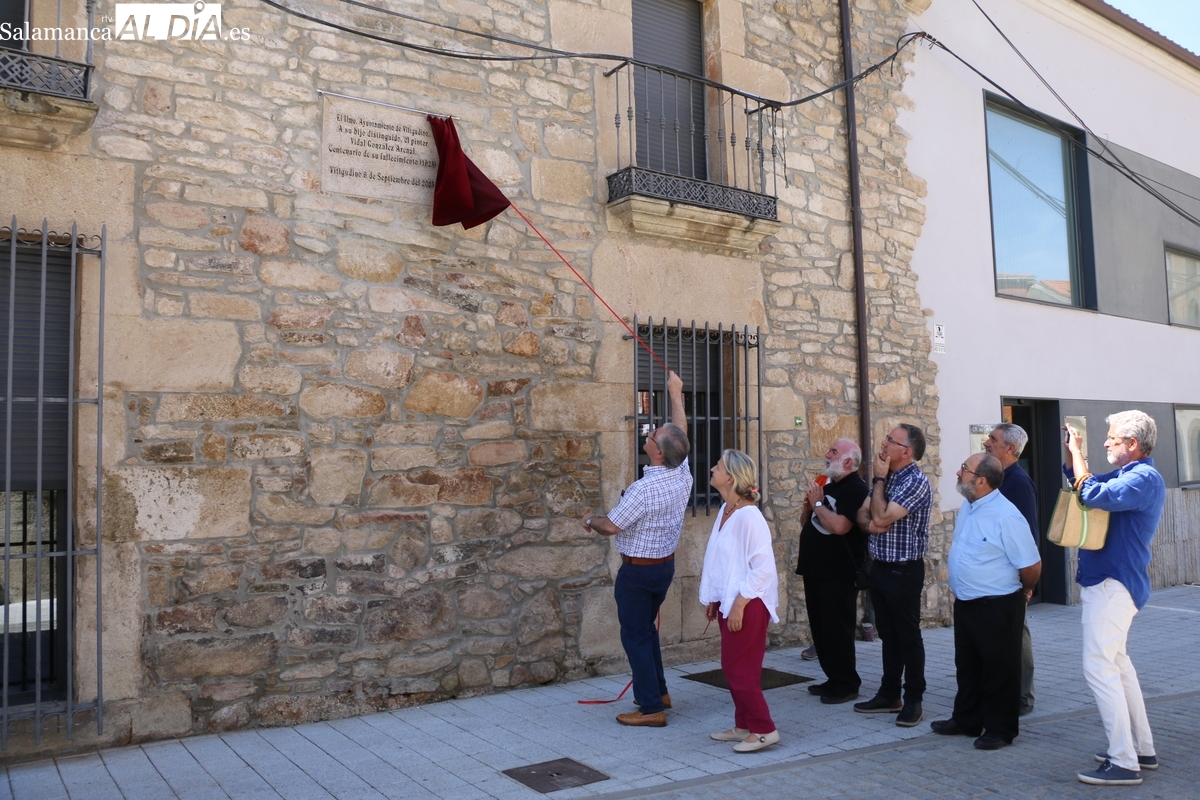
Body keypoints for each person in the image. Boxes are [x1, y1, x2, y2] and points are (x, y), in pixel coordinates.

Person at [584, 370, 692, 727]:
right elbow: (681, 432)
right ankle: (658, 691)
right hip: (663, 569)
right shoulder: (682, 471)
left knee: (635, 637)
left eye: (653, 436)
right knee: (646, 631)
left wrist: (590, 520)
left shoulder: (644, 490)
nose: (648, 435)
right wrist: (676, 393)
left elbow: (612, 525)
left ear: (658, 453)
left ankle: (651, 709)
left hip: (638, 573)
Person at [1065, 411, 1165, 786]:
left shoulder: (1142, 478)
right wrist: (1073, 455)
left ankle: (1124, 761)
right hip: (1114, 583)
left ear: (1132, 444)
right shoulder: (1131, 476)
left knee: (1099, 667)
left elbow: (1089, 494)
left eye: (1112, 438)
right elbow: (1083, 482)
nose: (1106, 442)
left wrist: (1077, 453)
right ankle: (1141, 749)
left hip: (1112, 584)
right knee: (1118, 666)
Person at [930, 453, 1041, 751]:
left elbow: (1031, 565)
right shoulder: (971, 505)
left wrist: (1024, 591)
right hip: (967, 603)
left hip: (998, 604)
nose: (958, 471)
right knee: (967, 666)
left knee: (999, 670)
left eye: (963, 469)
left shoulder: (1007, 515)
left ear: (981, 480)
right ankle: (967, 719)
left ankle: (1000, 730)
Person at [699, 450, 781, 752]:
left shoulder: (749, 517)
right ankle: (743, 724)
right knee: (735, 666)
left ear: (730, 478)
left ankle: (763, 729)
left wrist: (737, 604)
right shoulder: (726, 510)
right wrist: (714, 597)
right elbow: (721, 561)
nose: (711, 468)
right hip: (730, 601)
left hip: (747, 605)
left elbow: (762, 569)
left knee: (739, 669)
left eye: (717, 466)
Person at [854, 424, 933, 727]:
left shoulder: (915, 481)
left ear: (907, 451)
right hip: (880, 567)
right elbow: (864, 514)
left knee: (908, 636)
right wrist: (873, 520)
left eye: (891, 440)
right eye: (886, 438)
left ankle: (913, 699)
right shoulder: (888, 479)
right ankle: (890, 694)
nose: (884, 444)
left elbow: (882, 515)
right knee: (888, 635)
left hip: (904, 570)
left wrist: (877, 480)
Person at [797, 439, 870, 704]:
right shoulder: (828, 484)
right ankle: (833, 677)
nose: (827, 455)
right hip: (815, 568)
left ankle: (847, 683)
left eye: (833, 452)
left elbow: (841, 527)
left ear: (848, 462)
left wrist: (818, 504)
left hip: (838, 573)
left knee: (838, 629)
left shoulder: (856, 489)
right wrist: (808, 508)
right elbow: (808, 523)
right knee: (821, 629)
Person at [983, 423, 1039, 716]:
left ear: (1010, 449)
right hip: (992, 575)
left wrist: (1026, 582)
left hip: (1011, 576)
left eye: (993, 439)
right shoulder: (996, 479)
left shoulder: (1018, 483)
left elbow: (1027, 536)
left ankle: (1021, 696)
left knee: (1016, 634)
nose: (986, 443)